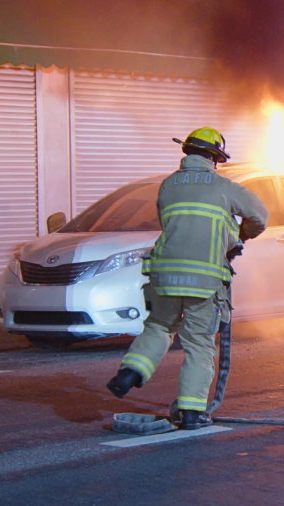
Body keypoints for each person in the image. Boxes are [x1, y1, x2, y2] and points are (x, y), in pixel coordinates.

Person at [106, 127, 269, 430]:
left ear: (187, 153)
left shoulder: (167, 186)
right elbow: (260, 215)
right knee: (199, 343)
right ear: (214, 158)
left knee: (159, 326)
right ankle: (192, 412)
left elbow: (175, 224)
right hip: (204, 282)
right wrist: (239, 236)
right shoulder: (225, 188)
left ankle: (129, 374)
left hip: (164, 276)